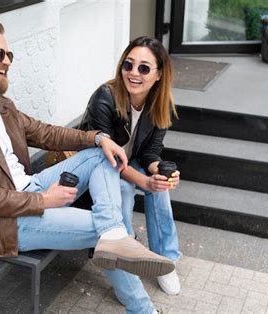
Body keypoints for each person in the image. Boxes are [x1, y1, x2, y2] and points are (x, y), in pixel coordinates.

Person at [0, 22, 175, 313]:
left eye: (9, 54)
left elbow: (46, 133)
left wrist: (97, 137)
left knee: (102, 155)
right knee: (105, 232)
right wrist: (44, 201)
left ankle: (115, 235)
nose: (7, 61)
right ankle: (142, 307)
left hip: (27, 190)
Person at [85, 36, 182, 295]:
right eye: (128, 65)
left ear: (159, 74)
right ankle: (126, 265)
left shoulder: (161, 104)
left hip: (130, 163)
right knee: (127, 191)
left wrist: (159, 173)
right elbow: (106, 157)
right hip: (96, 167)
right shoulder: (104, 98)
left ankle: (167, 260)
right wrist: (144, 181)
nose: (134, 73)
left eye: (144, 68)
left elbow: (150, 152)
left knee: (160, 188)